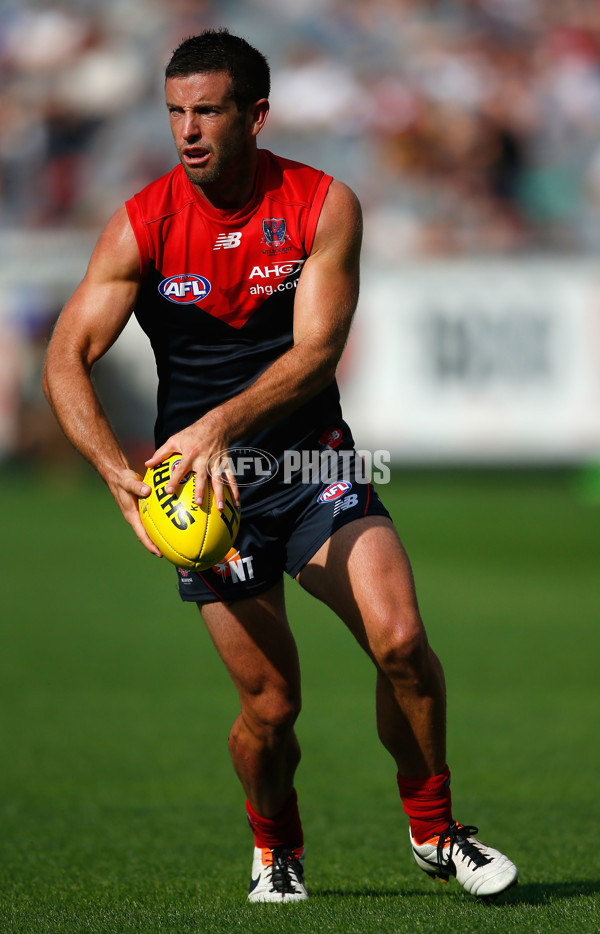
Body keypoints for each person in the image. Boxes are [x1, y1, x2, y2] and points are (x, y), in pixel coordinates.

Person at [43, 29, 518, 903]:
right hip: (203, 495)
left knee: (404, 643)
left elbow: (317, 351)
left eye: (209, 111)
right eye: (177, 112)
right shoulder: (143, 221)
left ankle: (437, 829)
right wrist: (117, 472)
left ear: (255, 115)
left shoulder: (321, 203)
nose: (188, 131)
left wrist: (220, 424)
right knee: (272, 711)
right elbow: (65, 356)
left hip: (310, 461)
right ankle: (275, 844)